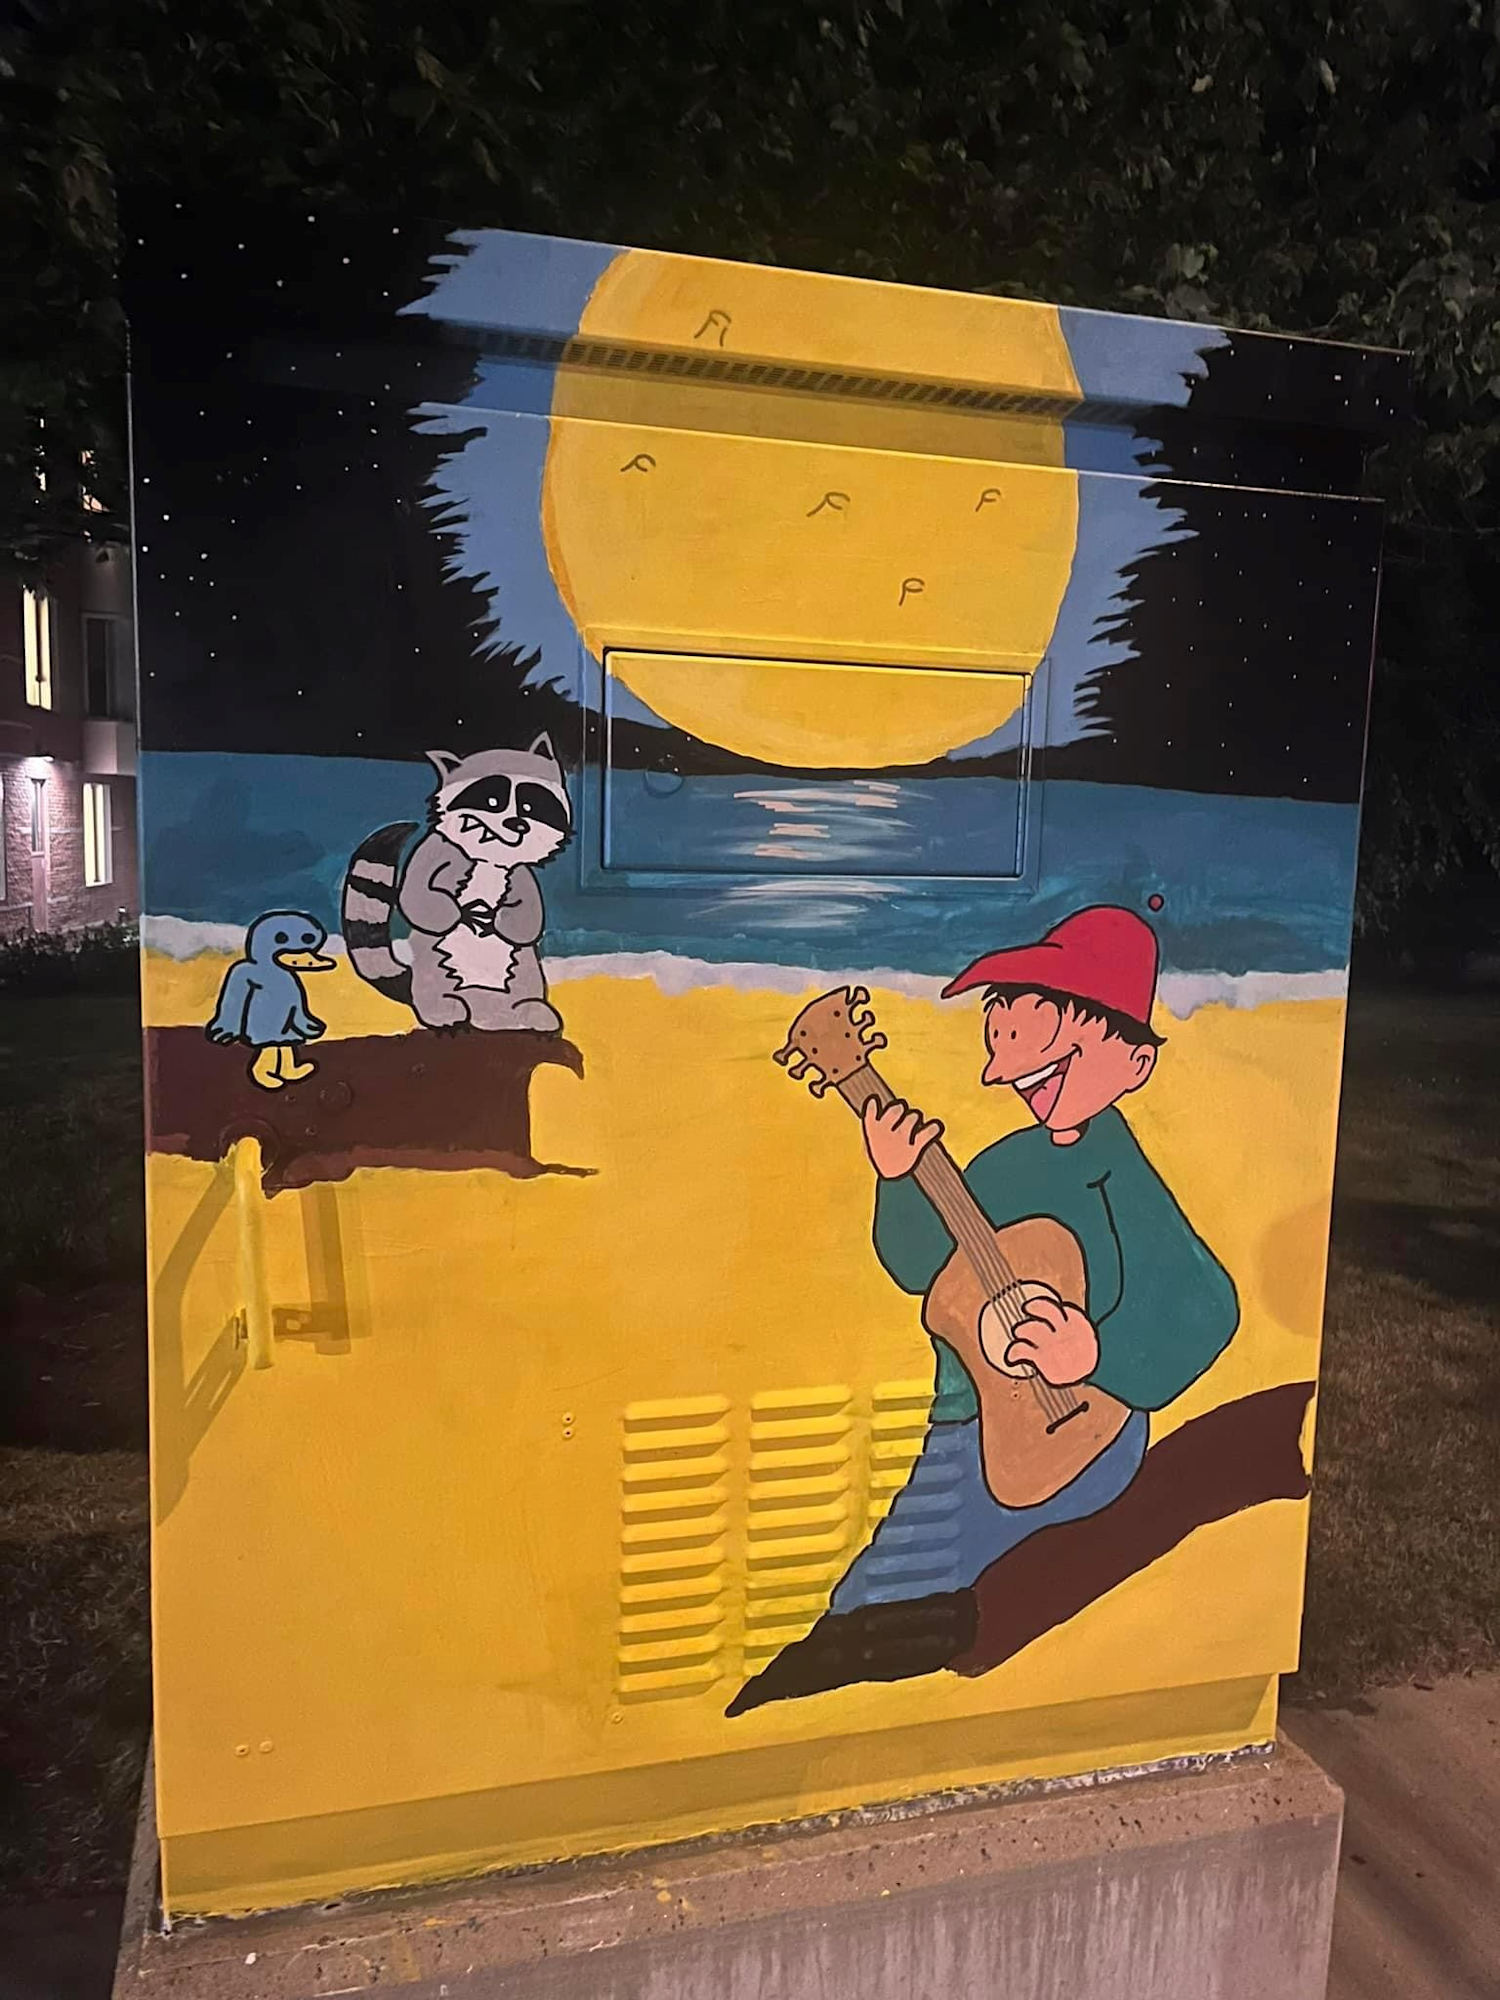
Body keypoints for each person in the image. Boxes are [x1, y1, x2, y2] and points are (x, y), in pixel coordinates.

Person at [830, 904, 1239, 1613]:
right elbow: (925, 1268)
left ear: (1135, 1062)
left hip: (1087, 1432)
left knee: (881, 1598)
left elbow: (1205, 1306)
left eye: (1043, 1046)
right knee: (883, 1590)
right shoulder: (1006, 1165)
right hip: (965, 1427)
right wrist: (896, 1178)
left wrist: (1095, 1354)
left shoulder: (1119, 1175)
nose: (1006, 1075)